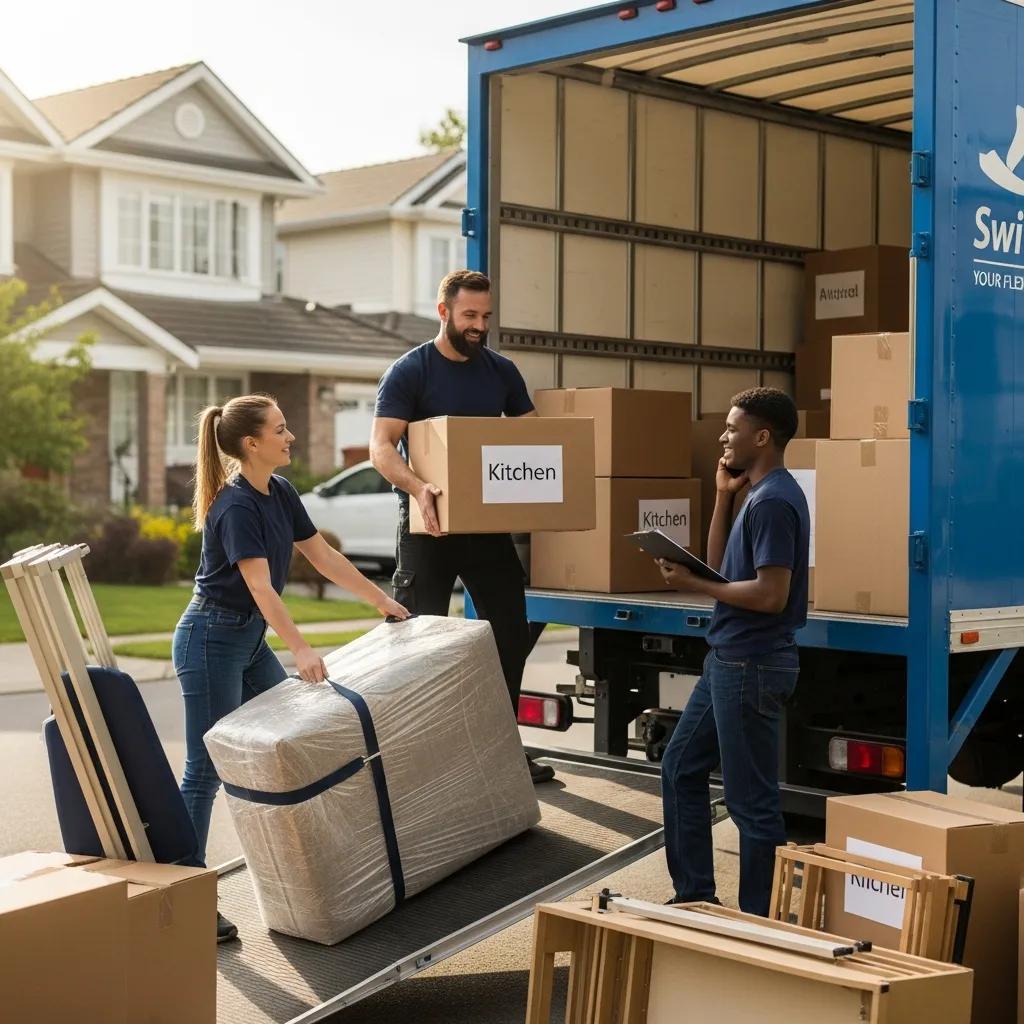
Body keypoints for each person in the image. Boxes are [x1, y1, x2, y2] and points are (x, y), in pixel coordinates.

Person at [174, 393, 409, 943]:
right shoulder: (235, 506)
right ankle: (184, 897)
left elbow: (322, 556)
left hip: (245, 637)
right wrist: (302, 650)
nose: (291, 437)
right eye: (280, 430)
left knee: (289, 740)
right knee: (204, 771)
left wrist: (382, 600)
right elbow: (260, 588)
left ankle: (303, 873)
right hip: (210, 638)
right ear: (251, 443)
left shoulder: (279, 491)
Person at [369, 269, 555, 785]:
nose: (479, 325)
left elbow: (533, 440)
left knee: (510, 635)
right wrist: (418, 487)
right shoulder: (411, 371)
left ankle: (501, 752)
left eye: (485, 316)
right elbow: (381, 448)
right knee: (416, 643)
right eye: (469, 315)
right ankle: (414, 761)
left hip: (485, 525)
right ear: (444, 311)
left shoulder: (501, 372)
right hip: (426, 526)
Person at [656, 387, 810, 917]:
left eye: (732, 428)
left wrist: (695, 586)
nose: (723, 437)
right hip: (728, 659)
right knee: (679, 767)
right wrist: (723, 497)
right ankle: (695, 896)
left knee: (752, 804)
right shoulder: (755, 495)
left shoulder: (774, 502)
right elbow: (721, 567)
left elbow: (771, 595)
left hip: (752, 663)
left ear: (762, 436)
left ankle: (758, 921)